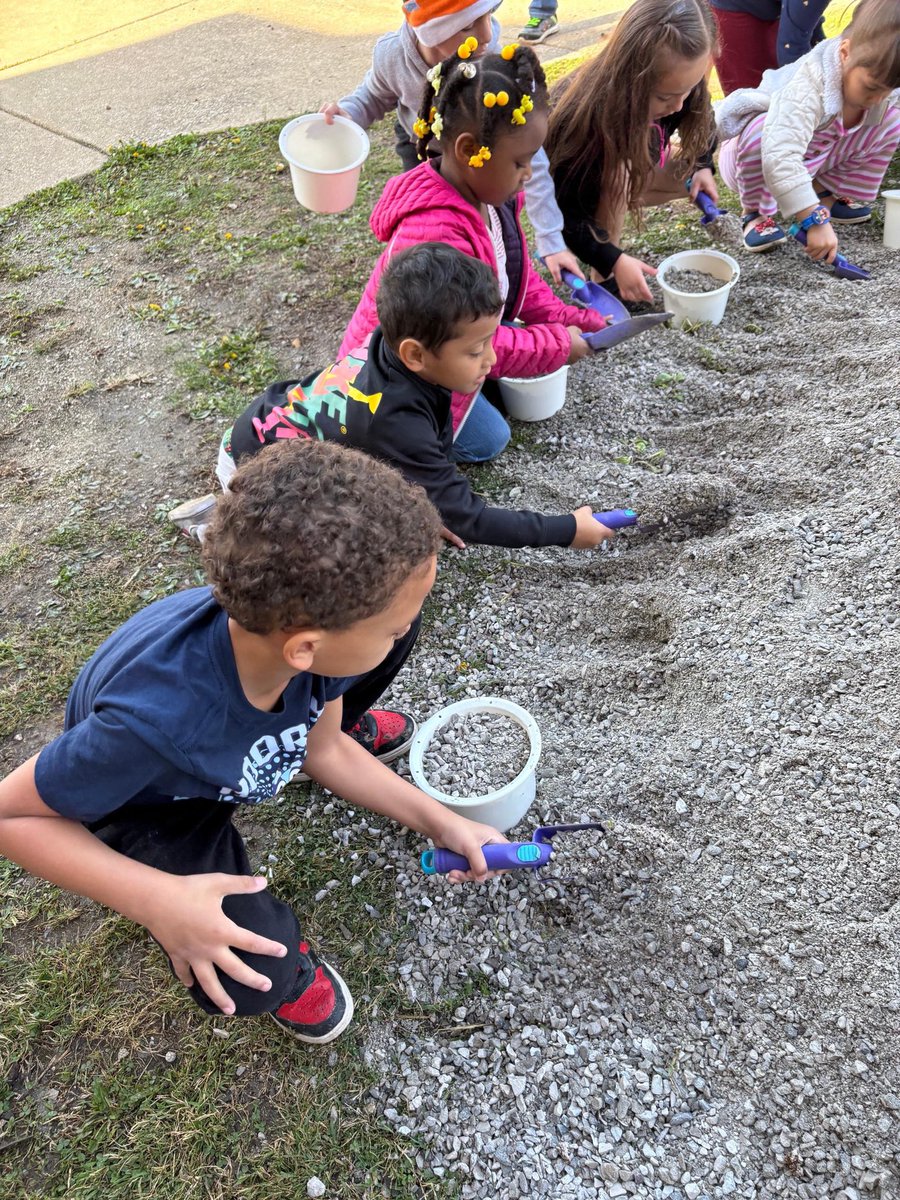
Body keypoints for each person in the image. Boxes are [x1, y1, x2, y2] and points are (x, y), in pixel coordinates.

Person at [0, 440, 507, 1041]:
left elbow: (324, 751)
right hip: (155, 803)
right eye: (392, 624)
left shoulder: (299, 639)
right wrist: (158, 901)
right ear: (305, 649)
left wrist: (441, 821)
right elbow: (11, 817)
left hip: (244, 726)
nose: (402, 632)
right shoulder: (148, 727)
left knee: (379, 644)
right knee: (249, 974)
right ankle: (287, 972)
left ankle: (310, 723)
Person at [216, 244, 615, 552]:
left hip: (273, 424)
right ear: (415, 354)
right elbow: (467, 518)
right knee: (357, 554)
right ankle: (219, 522)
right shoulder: (396, 419)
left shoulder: (396, 355)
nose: (491, 359)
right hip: (256, 471)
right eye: (476, 351)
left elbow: (430, 450)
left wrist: (424, 496)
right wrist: (567, 530)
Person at [338, 43, 607, 460]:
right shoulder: (436, 234)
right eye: (520, 162)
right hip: (393, 383)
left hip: (451, 343)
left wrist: (577, 320)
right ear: (468, 151)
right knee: (488, 438)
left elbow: (517, 277)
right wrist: (557, 346)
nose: (528, 175)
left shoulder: (488, 196)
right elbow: (458, 338)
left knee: (511, 349)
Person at [318, 0, 582, 281]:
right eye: (467, 25)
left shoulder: (487, 65)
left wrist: (550, 238)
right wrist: (348, 114)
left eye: (488, 15)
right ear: (431, 31)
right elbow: (372, 95)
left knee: (491, 228)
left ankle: (496, 285)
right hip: (422, 150)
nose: (488, 35)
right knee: (433, 234)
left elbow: (528, 154)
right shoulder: (393, 57)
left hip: (482, 154)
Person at [545, 0, 719, 303]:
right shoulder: (582, 118)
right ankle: (606, 278)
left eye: (689, 89)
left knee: (683, 163)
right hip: (580, 202)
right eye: (665, 96)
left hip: (639, 164)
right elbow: (565, 216)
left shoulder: (680, 84)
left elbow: (704, 119)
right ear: (630, 78)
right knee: (620, 176)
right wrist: (612, 259)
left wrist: (701, 165)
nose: (679, 105)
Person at [716, 0, 900, 254]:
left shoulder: (878, 79)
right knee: (762, 128)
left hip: (808, 154)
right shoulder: (808, 85)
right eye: (871, 88)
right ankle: (754, 214)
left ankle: (821, 191)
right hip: (750, 157)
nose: (879, 97)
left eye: (889, 89)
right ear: (845, 53)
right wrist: (812, 219)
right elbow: (779, 155)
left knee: (891, 121)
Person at [709, 0, 830, 96]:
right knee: (748, 102)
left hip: (775, 9)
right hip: (734, 8)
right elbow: (791, 48)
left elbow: (808, 20)